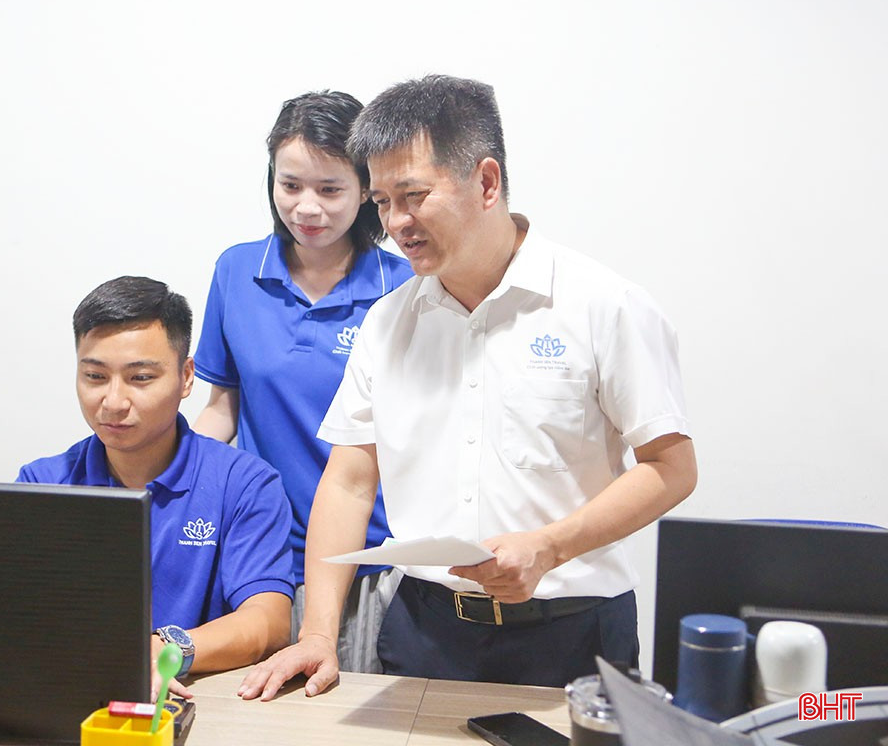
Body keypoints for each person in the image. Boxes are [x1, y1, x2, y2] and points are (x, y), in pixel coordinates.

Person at [238, 76, 697, 700]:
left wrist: (549, 547)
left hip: (575, 633)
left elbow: (672, 467)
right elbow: (348, 481)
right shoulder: (388, 322)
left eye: (414, 196)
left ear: (486, 182)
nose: (396, 223)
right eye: (382, 202)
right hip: (423, 631)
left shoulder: (603, 305)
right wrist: (318, 634)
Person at [192, 91, 413, 673]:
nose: (307, 208)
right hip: (256, 552)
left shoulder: (405, 286)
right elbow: (222, 408)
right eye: (290, 185)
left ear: (365, 189)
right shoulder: (237, 271)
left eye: (330, 190)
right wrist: (166, 485)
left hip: (367, 558)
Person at [16, 276, 293, 700]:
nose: (113, 401)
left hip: (200, 700)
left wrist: (168, 648)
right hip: (72, 697)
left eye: (140, 377)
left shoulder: (245, 483)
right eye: (94, 376)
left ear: (186, 377)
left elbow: (269, 622)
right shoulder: (44, 484)